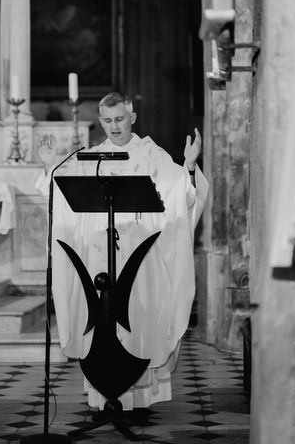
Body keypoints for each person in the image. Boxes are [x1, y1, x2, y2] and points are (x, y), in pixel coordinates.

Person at [35, 92, 208, 410]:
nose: (114, 126)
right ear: (101, 121)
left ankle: (138, 400)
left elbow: (180, 194)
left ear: (133, 118)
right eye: (108, 120)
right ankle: (105, 396)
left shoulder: (151, 155)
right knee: (101, 321)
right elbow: (62, 195)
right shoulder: (89, 157)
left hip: (140, 258)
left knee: (137, 320)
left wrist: (191, 164)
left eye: (120, 119)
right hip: (98, 257)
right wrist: (50, 168)